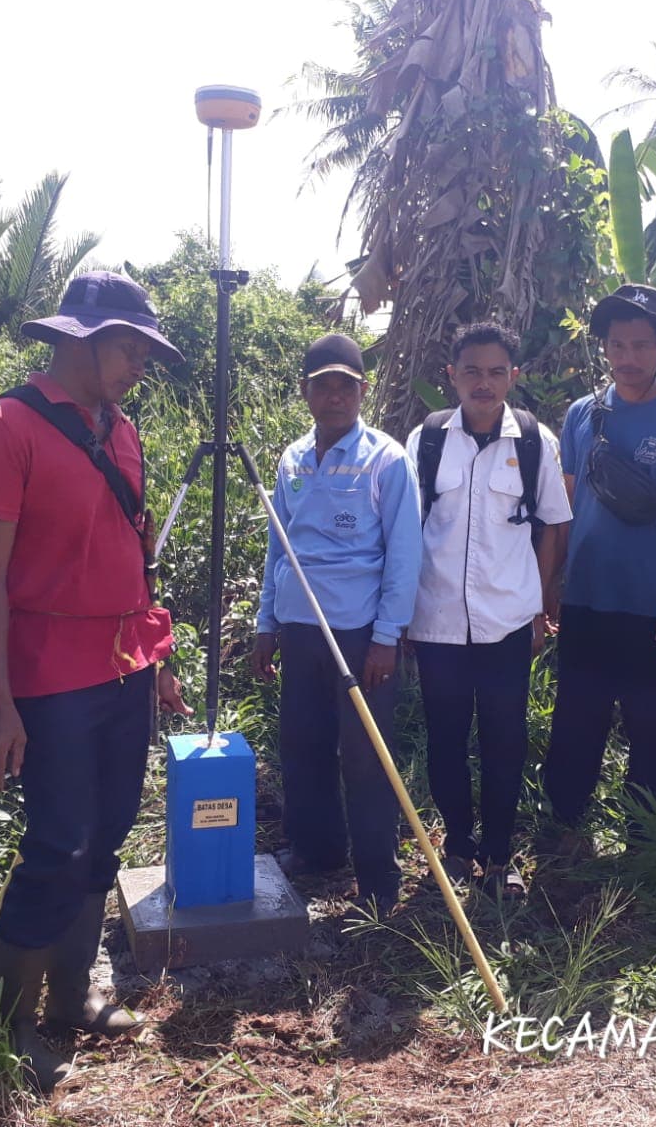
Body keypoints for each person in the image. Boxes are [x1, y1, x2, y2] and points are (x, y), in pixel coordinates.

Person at [0, 271, 192, 1090]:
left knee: (109, 832)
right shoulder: (3, 428)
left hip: (123, 667)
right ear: (80, 340)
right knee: (57, 843)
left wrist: (155, 662)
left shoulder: (120, 431)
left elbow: (134, 556)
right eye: (130, 347)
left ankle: (70, 997)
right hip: (47, 678)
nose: (138, 364)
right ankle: (4, 1025)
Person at [541, 284, 656, 851]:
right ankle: (564, 828)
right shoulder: (581, 415)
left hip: (655, 604)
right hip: (586, 599)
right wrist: (550, 586)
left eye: (641, 344)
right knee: (576, 721)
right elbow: (564, 508)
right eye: (617, 345)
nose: (628, 357)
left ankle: (646, 841)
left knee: (655, 728)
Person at [250, 333, 423, 917]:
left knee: (365, 755)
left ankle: (377, 877)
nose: (333, 396)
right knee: (303, 744)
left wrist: (385, 638)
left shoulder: (386, 459)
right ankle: (317, 851)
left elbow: (404, 555)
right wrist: (265, 622)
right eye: (322, 385)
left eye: (344, 385)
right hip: (300, 627)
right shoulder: (293, 459)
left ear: (362, 391)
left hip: (357, 633)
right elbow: (280, 547)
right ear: (305, 392)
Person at [405, 322, 572, 897]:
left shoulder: (533, 441)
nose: (484, 382)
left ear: (513, 377)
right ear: (451, 376)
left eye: (496, 371)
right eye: (471, 370)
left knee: (505, 739)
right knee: (446, 739)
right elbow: (408, 531)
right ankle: (456, 848)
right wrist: (401, 612)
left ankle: (500, 857)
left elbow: (555, 524)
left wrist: (541, 605)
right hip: (437, 622)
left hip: (507, 624)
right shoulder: (426, 440)